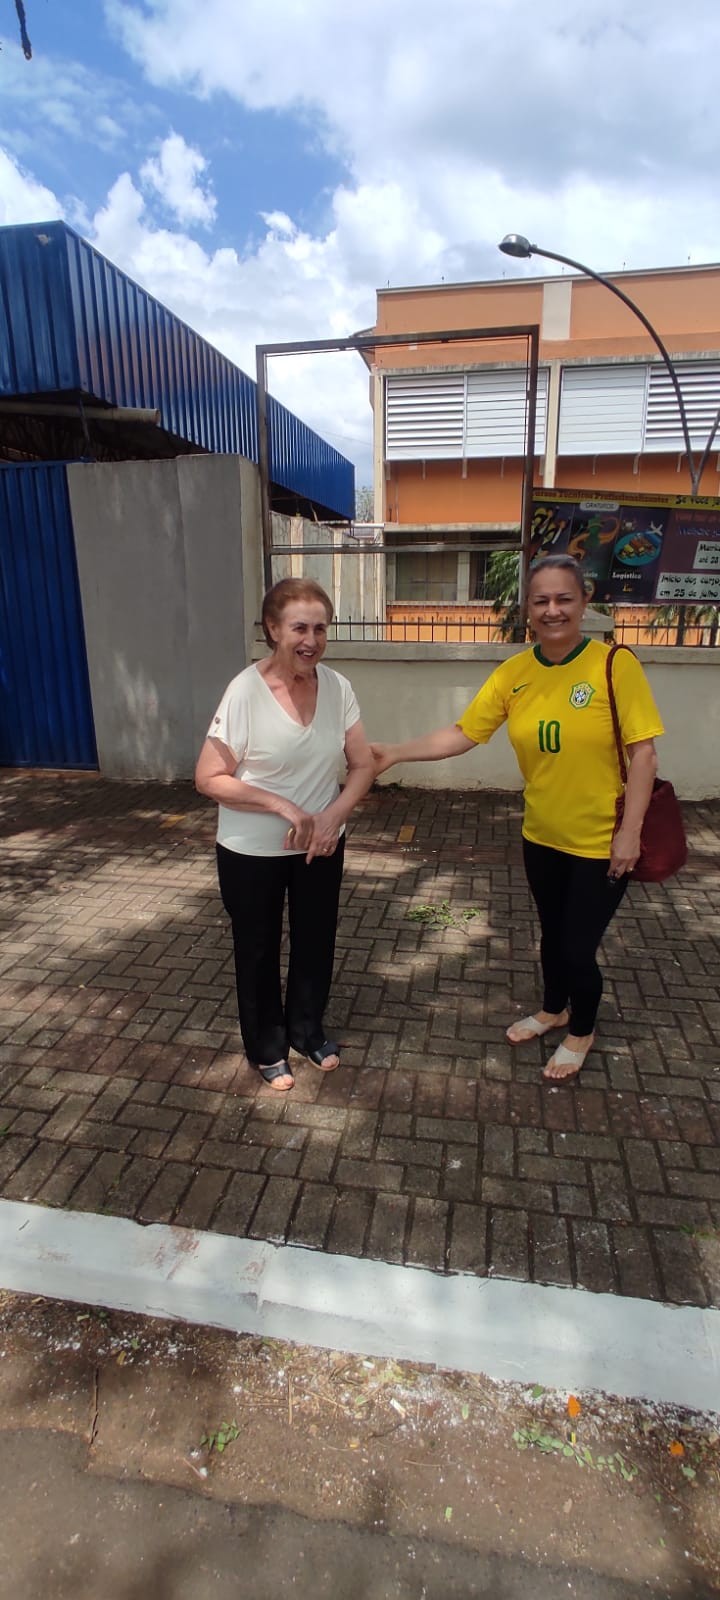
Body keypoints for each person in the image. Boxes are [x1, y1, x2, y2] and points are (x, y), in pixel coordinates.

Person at [372, 554, 664, 1082]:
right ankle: (554, 1009)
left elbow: (643, 753)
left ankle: (583, 1028)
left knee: (577, 946)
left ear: (584, 601)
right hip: (542, 836)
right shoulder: (515, 673)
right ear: (527, 607)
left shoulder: (614, 665)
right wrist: (394, 752)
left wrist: (631, 833)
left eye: (564, 599)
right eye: (541, 600)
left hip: (602, 841)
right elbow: (463, 734)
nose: (552, 610)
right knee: (552, 935)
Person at [196, 578, 374, 1092]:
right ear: (273, 629)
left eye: (320, 628)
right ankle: (267, 1047)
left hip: (320, 844)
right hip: (252, 851)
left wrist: (333, 814)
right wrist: (282, 804)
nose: (311, 640)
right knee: (257, 947)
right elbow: (209, 776)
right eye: (299, 627)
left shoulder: (338, 688)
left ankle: (306, 1030)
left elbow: (362, 764)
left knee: (316, 939)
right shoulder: (245, 692)